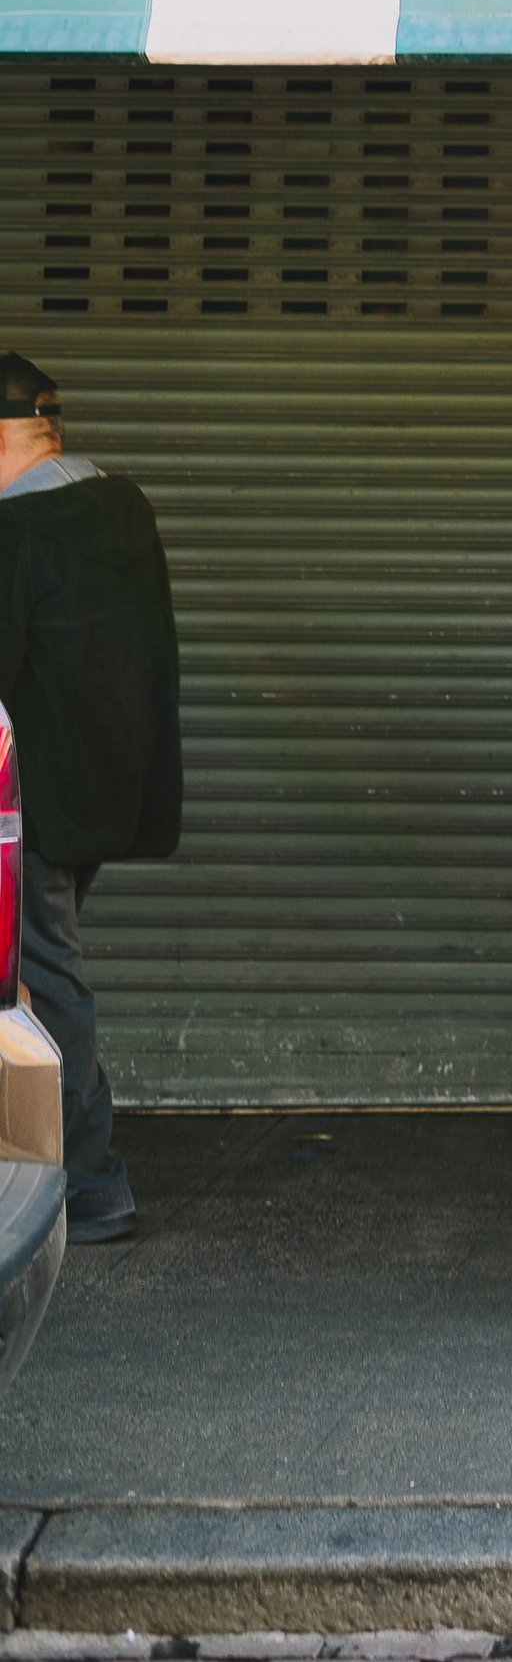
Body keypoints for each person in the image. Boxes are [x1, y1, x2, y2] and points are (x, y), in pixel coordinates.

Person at [0, 354, 180, 1247]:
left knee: (45, 983)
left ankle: (89, 1182)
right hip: (107, 790)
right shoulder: (123, 507)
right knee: (43, 976)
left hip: (29, 803)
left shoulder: (18, 527)